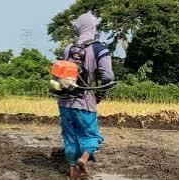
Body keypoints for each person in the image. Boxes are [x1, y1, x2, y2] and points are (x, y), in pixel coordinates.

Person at [58, 11, 114, 179]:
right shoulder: (99, 49)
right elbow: (108, 77)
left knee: (70, 137)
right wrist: (99, 95)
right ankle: (84, 158)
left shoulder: (68, 48)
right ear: (93, 27)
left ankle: (72, 171)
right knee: (91, 136)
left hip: (65, 102)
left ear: (79, 28)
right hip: (85, 102)